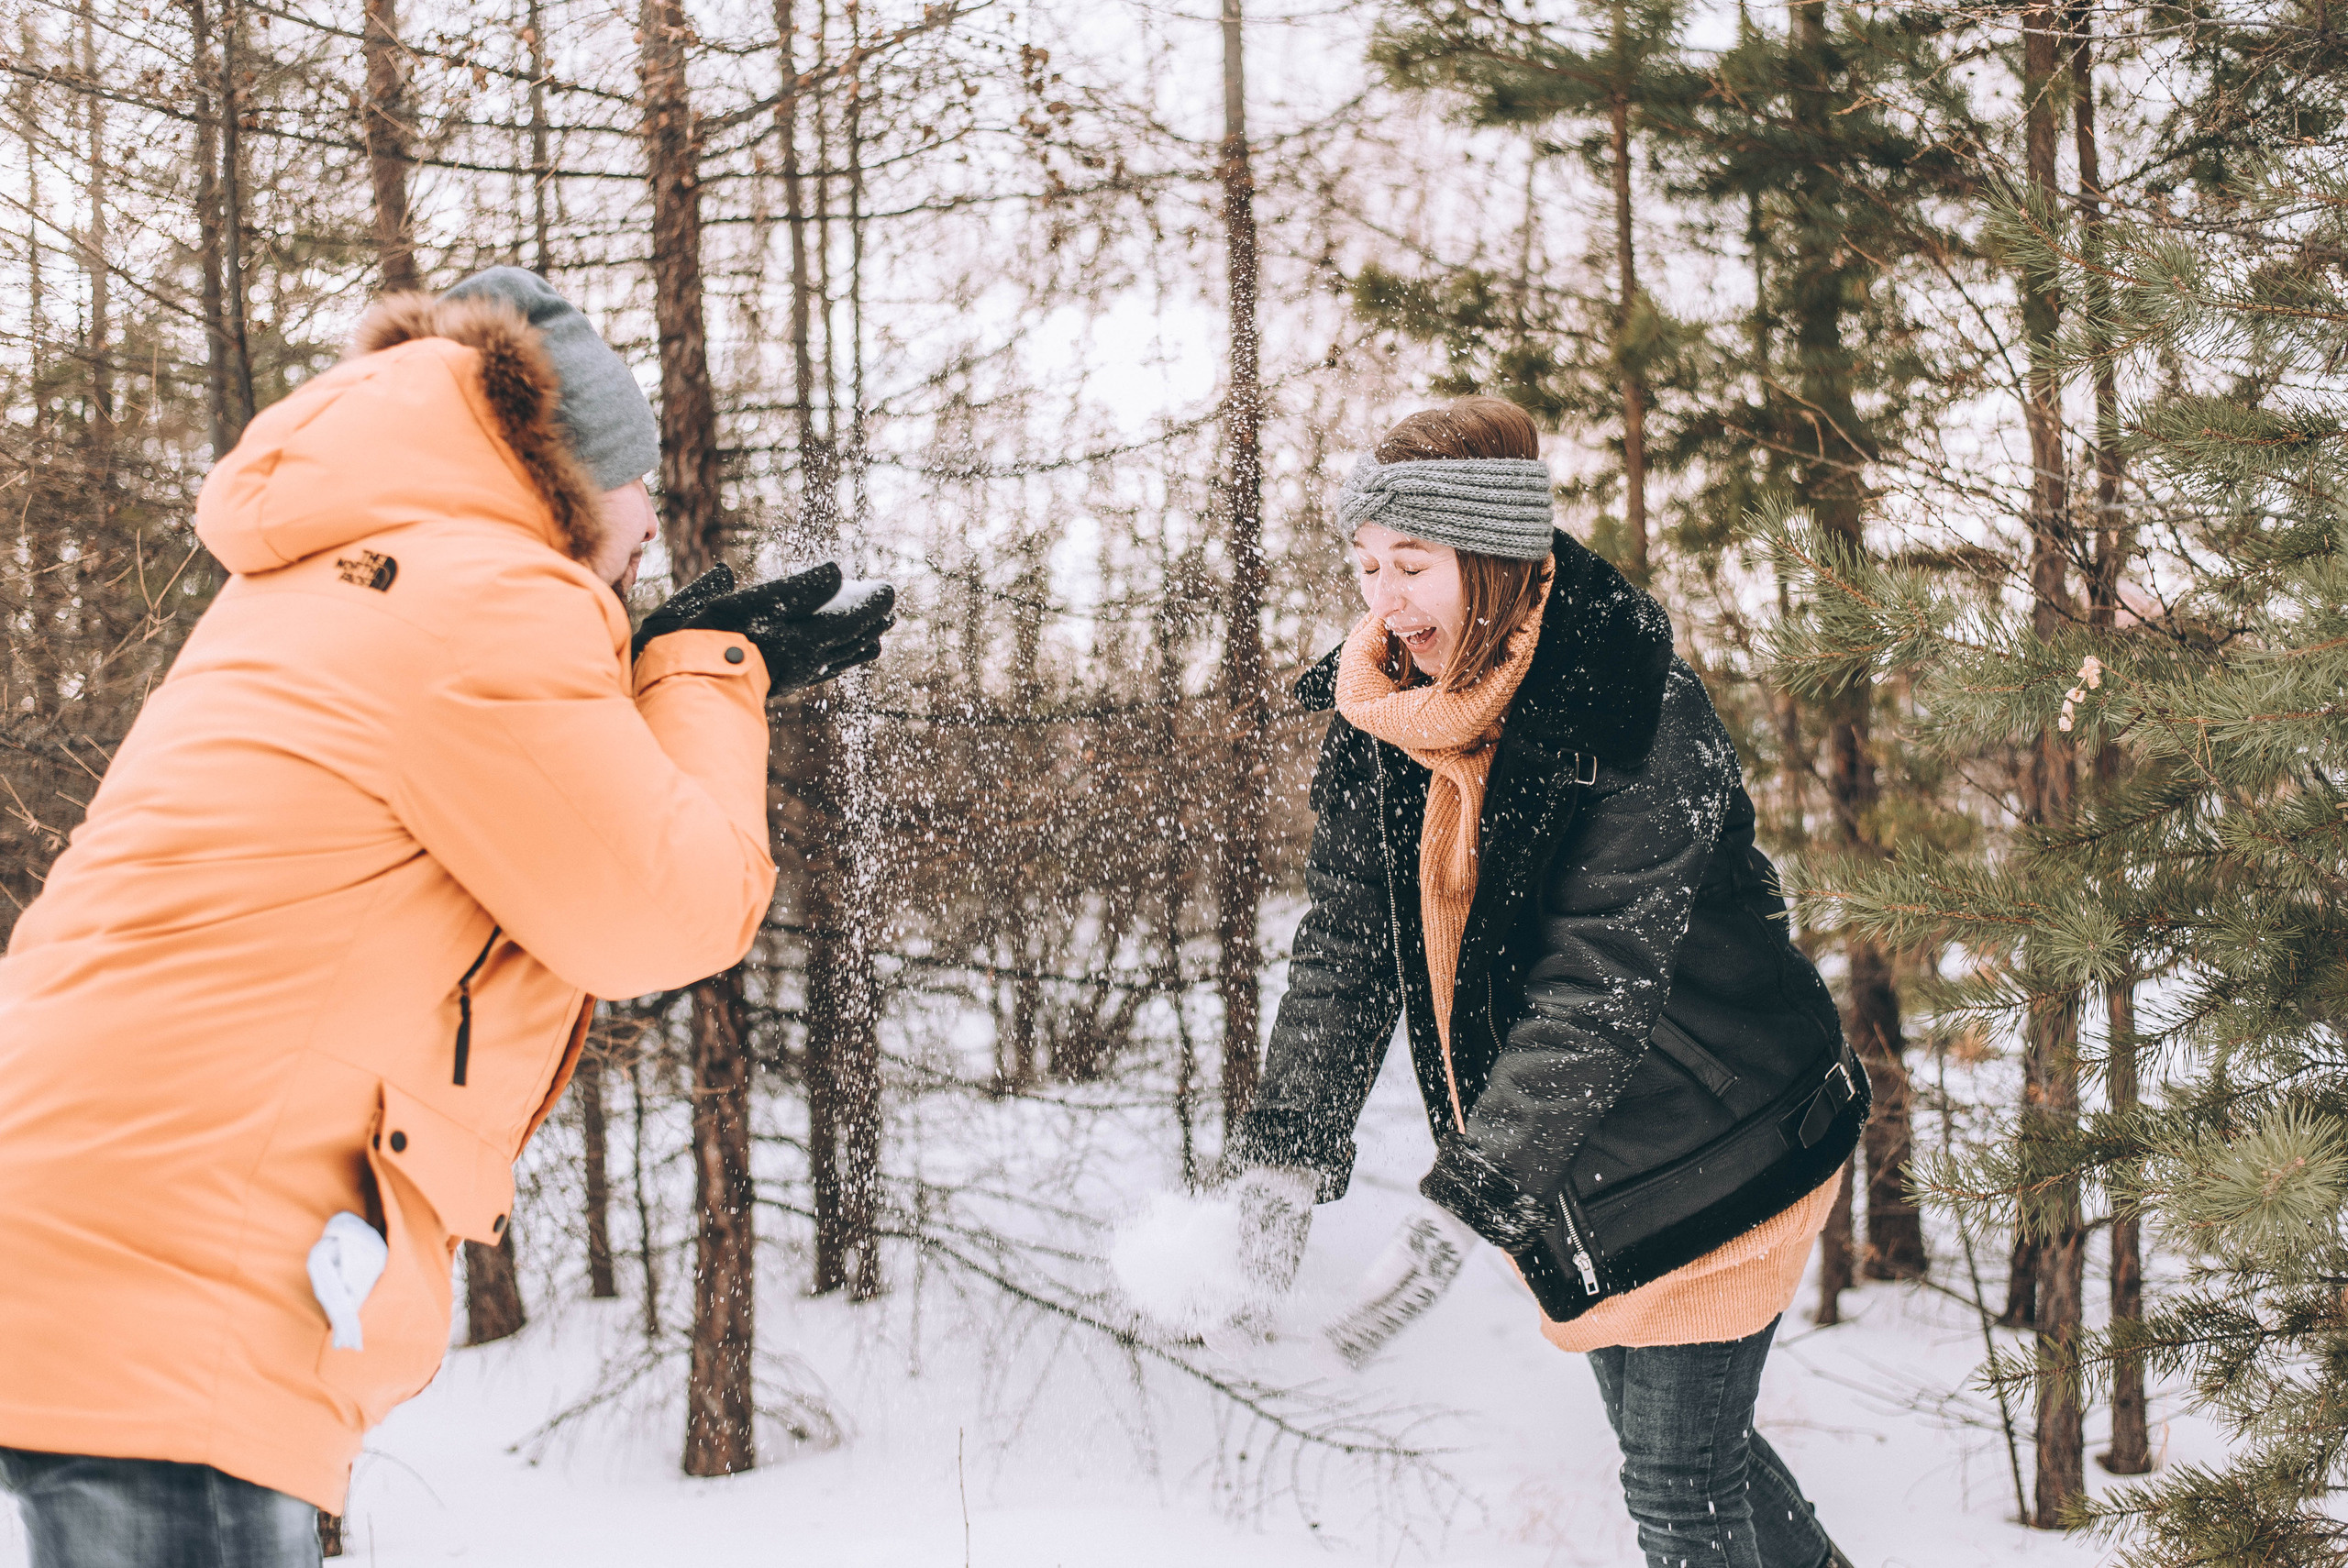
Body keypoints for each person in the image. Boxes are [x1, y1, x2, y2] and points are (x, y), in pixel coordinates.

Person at [0, 267, 893, 1567]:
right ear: (570, 471)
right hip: (178, 1258)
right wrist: (709, 672)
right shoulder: (484, 598)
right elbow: (667, 912)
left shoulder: (336, 585)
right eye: (637, 483)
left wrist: (672, 673)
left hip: (98, 1209)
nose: (651, 522)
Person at [1224, 397, 1866, 1568]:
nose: (1385, 600)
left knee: (1678, 1488)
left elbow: (1597, 984)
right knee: (1696, 1459)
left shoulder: (1629, 709)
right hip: (1592, 1158)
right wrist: (1284, 1152)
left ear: (1494, 558)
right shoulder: (1383, 714)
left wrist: (1460, 1207)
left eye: (1412, 566)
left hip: (1723, 1135)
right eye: (1367, 565)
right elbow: (1346, 946)